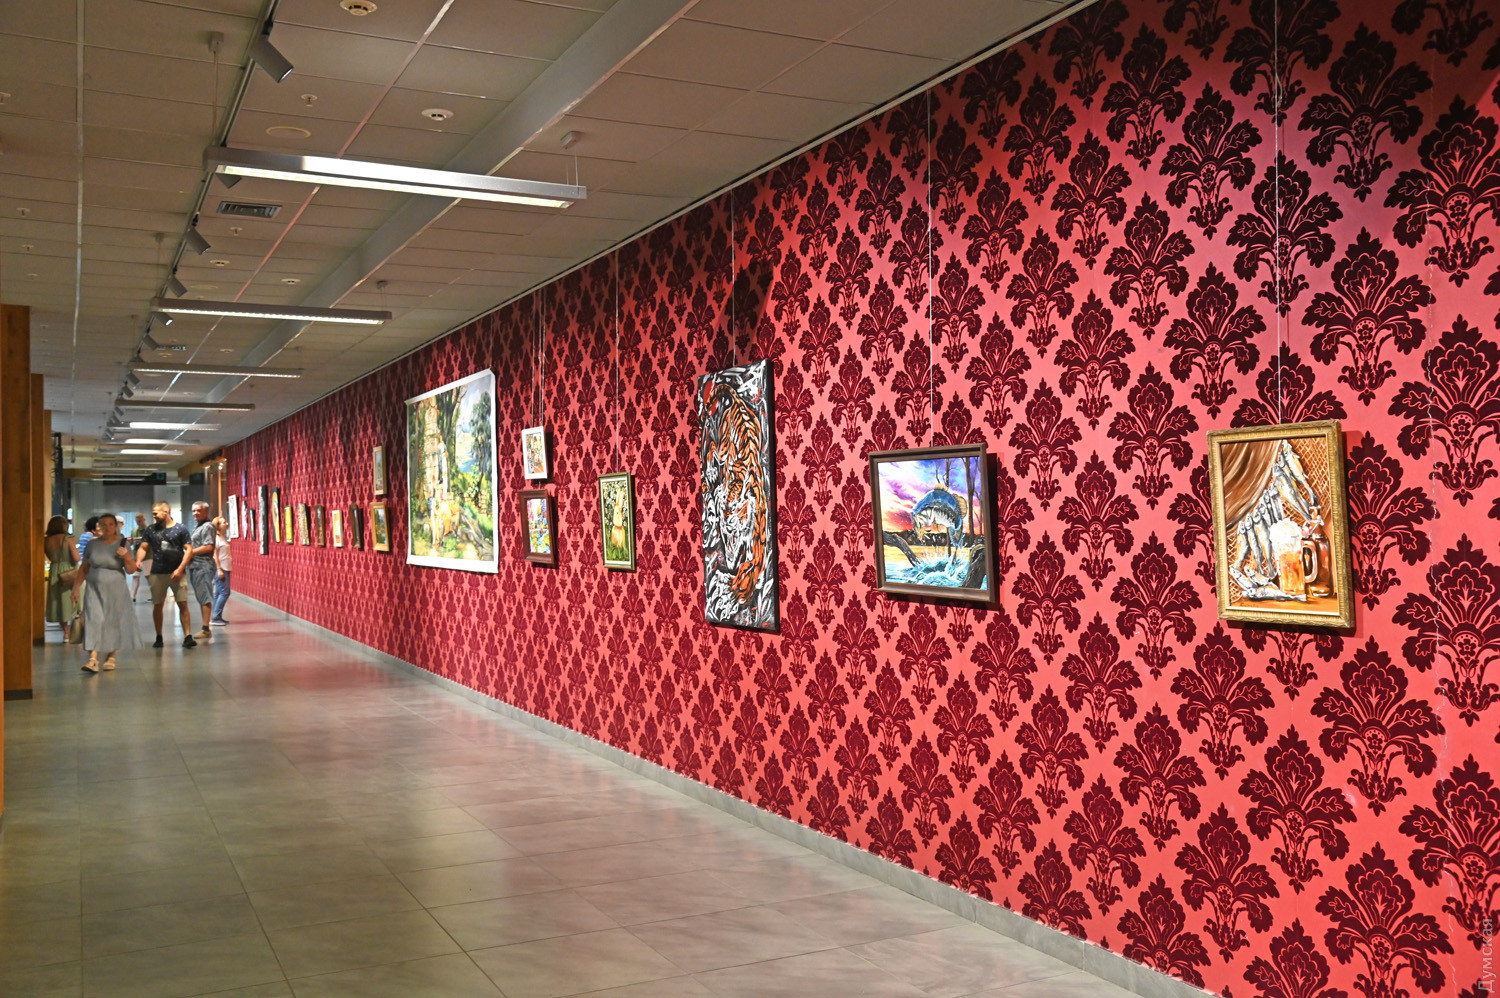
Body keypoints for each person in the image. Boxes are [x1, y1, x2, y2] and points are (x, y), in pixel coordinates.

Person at [71, 514, 142, 672]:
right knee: (93, 619)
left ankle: (111, 655)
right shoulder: (92, 544)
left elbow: (131, 570)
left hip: (116, 588)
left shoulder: (123, 544)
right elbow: (84, 567)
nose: (107, 527)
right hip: (93, 587)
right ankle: (93, 658)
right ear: (99, 527)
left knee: (111, 620)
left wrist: (126, 557)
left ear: (115, 526)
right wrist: (76, 588)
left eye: (110, 524)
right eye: (103, 524)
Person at [138, 501, 196, 649]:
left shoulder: (181, 529)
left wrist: (180, 569)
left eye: (156, 513)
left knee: (182, 603)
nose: (154, 516)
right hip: (157, 572)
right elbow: (143, 547)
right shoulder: (151, 530)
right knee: (158, 605)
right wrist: (138, 560)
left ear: (166, 512)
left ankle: (188, 636)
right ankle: (159, 636)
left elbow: (189, 550)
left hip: (177, 573)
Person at [44, 515, 80, 629]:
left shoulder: (46, 540)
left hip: (54, 571)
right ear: (63, 525)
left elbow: (49, 556)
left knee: (59, 603)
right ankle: (76, 629)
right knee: (74, 600)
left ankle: (66, 632)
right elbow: (76, 557)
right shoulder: (68, 538)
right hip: (69, 570)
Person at [188, 501, 216, 640]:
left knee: (205, 597)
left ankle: (206, 629)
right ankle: (204, 627)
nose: (195, 513)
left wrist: (190, 552)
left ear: (206, 512)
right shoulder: (198, 526)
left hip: (203, 565)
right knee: (201, 596)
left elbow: (208, 547)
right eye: (194, 511)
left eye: (199, 510)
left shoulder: (207, 526)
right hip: (195, 566)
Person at [211, 515, 232, 627]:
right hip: (221, 568)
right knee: (225, 592)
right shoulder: (216, 538)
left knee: (219, 592)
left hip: (226, 567)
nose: (226, 523)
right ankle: (216, 617)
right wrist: (219, 569)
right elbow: (215, 555)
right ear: (218, 526)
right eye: (224, 522)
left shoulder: (222, 537)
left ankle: (216, 616)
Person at [128, 513, 150, 601]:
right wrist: (130, 541)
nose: (139, 521)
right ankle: (132, 596)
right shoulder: (134, 530)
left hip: (148, 556)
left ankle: (155, 595)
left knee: (148, 576)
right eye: (137, 520)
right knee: (135, 576)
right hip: (136, 557)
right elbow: (131, 543)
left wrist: (138, 539)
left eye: (140, 519)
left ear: (144, 519)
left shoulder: (149, 529)